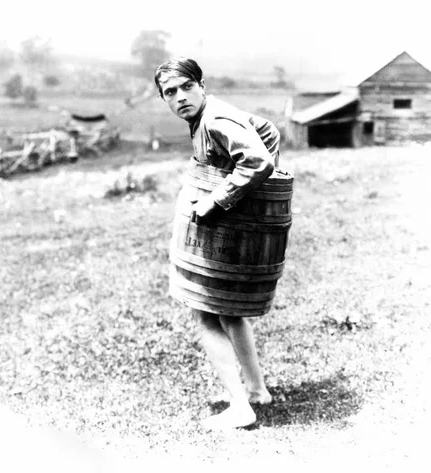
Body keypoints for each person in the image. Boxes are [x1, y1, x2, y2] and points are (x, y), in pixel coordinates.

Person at [154, 57, 281, 430]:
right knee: (228, 310)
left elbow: (257, 161)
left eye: (186, 87)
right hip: (237, 226)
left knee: (204, 311)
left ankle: (241, 408)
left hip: (234, 225)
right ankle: (257, 390)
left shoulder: (215, 118)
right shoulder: (204, 119)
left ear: (202, 85)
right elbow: (265, 134)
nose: (180, 97)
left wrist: (213, 200)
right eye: (170, 93)